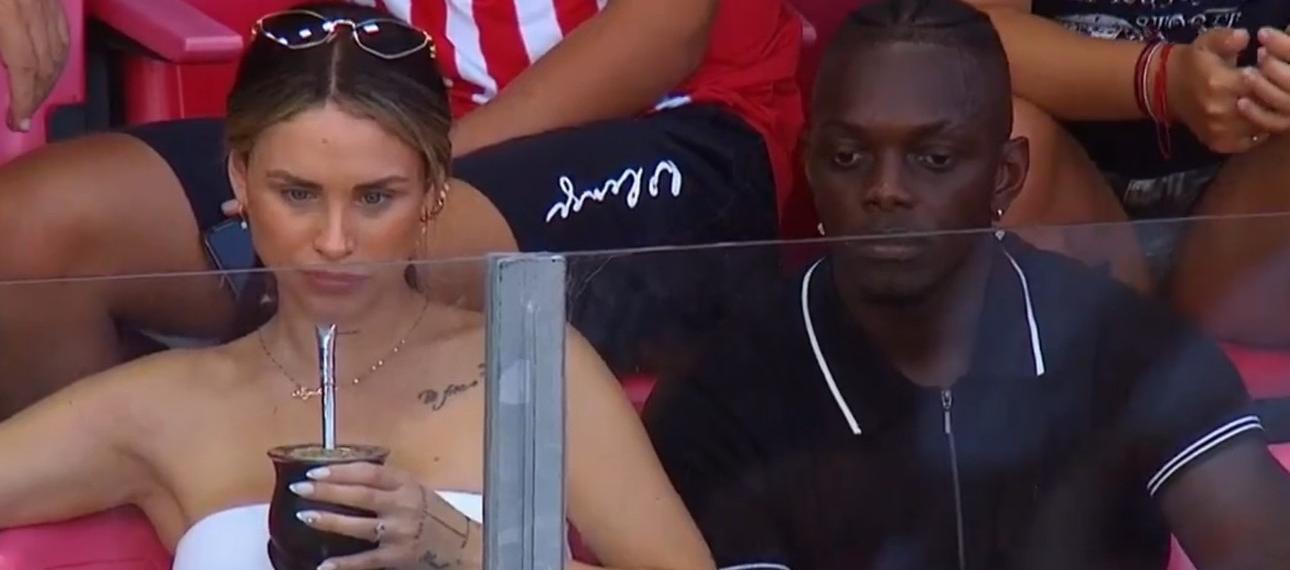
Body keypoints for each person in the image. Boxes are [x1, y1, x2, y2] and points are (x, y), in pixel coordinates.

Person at [0, 6, 716, 570]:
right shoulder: (164, 406)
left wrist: (463, 547)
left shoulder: (527, 369)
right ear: (240, 181)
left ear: (434, 190)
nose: (336, 240)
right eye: (298, 194)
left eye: (375, 198)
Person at [642, 1, 1290, 568]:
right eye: (848, 157)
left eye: (934, 158)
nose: (885, 189)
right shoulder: (720, 396)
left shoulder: (1130, 348)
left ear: (1005, 176)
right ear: (809, 165)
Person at [0, 0, 802, 418]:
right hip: (399, 108)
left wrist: (414, 164)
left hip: (676, 125)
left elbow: (667, 30)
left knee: (356, 258)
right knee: (32, 234)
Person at [965, 0, 1290, 343]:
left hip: (1248, 198)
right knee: (989, 136)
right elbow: (973, 33)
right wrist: (1160, 81)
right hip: (1070, 190)